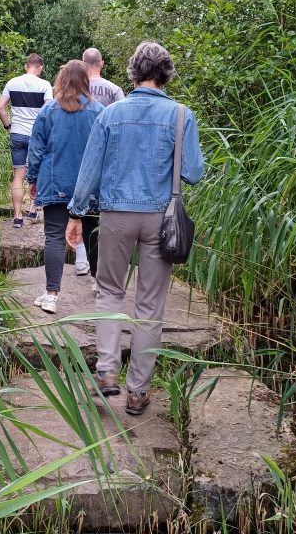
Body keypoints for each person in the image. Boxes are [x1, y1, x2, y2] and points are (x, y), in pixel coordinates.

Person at [66, 41, 204, 416]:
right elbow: (194, 172)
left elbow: (90, 169)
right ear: (166, 72)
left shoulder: (111, 115)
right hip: (160, 218)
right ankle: (138, 392)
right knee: (149, 307)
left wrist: (76, 214)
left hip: (115, 215)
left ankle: (107, 372)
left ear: (133, 71)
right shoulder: (181, 115)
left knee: (110, 293)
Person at [25, 60, 104, 314]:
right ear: (85, 81)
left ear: (62, 81)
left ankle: (51, 295)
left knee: (55, 237)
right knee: (93, 235)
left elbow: (36, 150)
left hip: (55, 182)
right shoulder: (99, 112)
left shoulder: (49, 111)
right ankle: (101, 286)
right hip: (90, 187)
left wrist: (32, 180)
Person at [74, 47, 126, 276]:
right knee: (99, 212)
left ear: (84, 64)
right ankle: (101, 265)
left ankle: (81, 259)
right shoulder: (114, 90)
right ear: (101, 63)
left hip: (79, 155)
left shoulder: (75, 90)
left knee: (78, 206)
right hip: (107, 159)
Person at [0, 54, 53, 227]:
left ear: (25, 66)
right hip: (37, 136)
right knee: (35, 174)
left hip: (17, 133)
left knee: (18, 175)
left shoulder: (12, 83)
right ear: (41, 67)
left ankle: (17, 217)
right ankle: (33, 210)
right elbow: (49, 110)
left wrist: (8, 126)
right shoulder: (44, 85)